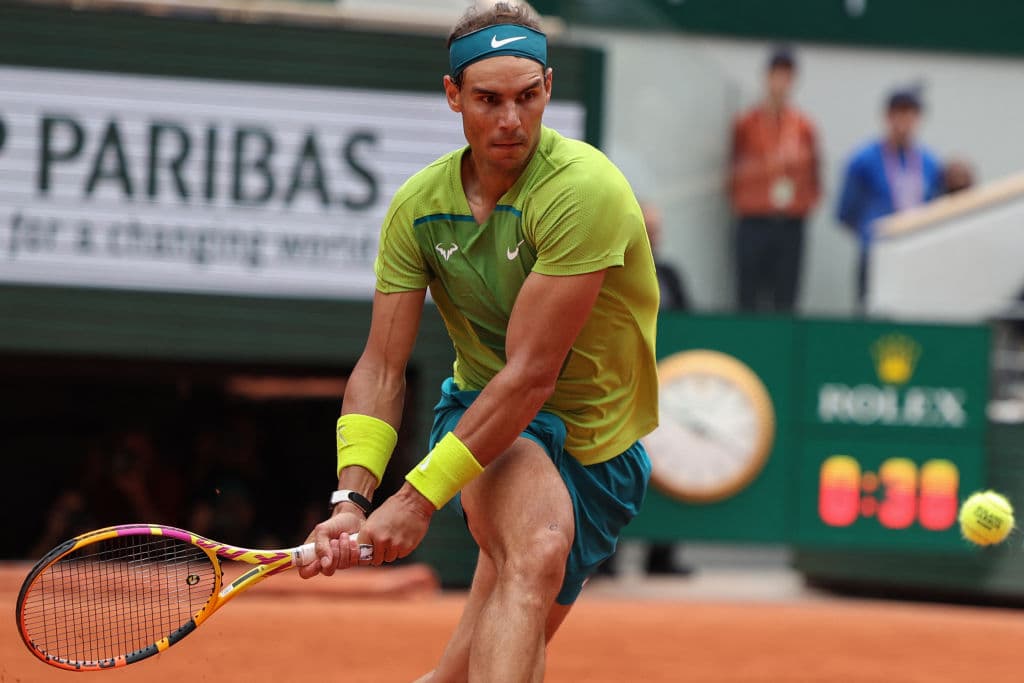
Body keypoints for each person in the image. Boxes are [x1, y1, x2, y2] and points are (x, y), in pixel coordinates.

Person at [299, 3, 660, 681]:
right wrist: (351, 499)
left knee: (470, 667)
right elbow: (382, 365)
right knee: (538, 547)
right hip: (490, 424)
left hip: (599, 443)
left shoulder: (585, 191)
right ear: (452, 96)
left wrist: (413, 502)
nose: (511, 121)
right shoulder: (417, 207)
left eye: (527, 97)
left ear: (549, 87)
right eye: (488, 100)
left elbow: (531, 375)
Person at [729, 46, 820, 313]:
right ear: (766, 77)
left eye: (786, 76)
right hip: (754, 220)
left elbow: (814, 176)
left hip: (790, 221)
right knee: (748, 294)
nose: (780, 83)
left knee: (786, 296)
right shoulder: (747, 123)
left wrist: (802, 203)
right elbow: (734, 168)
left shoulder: (803, 126)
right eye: (775, 75)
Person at [837, 87, 943, 308]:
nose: (904, 122)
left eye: (910, 115)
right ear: (887, 117)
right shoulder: (863, 161)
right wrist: (873, 233)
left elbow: (936, 207)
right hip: (877, 254)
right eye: (899, 114)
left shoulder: (929, 163)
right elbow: (846, 211)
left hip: (917, 254)